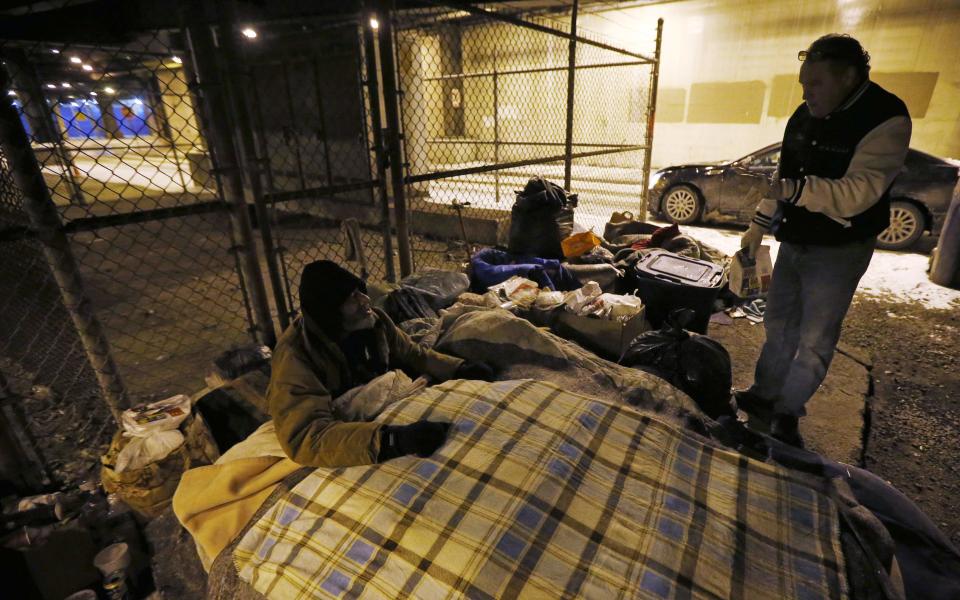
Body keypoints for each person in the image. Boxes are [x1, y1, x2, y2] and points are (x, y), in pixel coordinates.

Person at [737, 34, 911, 447]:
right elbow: (781, 179)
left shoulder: (885, 118)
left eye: (814, 85)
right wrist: (759, 226)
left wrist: (797, 192)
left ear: (848, 77)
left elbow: (860, 193)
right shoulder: (804, 115)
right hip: (795, 240)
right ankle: (763, 396)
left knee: (814, 340)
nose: (806, 94)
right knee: (778, 324)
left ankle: (786, 415)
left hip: (839, 250)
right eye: (803, 84)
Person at [267, 260, 494, 467]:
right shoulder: (295, 358)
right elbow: (307, 438)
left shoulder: (374, 322)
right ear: (331, 312)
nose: (365, 300)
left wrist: (458, 367)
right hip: (344, 425)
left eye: (360, 291)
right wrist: (392, 440)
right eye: (351, 298)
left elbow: (414, 354)